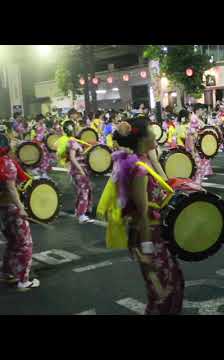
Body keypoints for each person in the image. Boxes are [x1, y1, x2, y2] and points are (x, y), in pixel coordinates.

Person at [110, 117, 185, 314]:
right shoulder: (139, 169)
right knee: (162, 291)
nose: (155, 135)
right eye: (151, 132)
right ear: (143, 139)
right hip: (149, 234)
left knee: (170, 282)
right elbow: (142, 213)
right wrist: (147, 250)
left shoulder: (138, 162)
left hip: (152, 231)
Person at [0, 134, 40, 290]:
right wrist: (22, 208)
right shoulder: (7, 164)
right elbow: (10, 188)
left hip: (2, 210)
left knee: (12, 242)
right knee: (25, 243)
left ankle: (6, 273)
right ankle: (23, 280)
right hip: (11, 209)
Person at [57, 121, 94, 224]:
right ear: (72, 129)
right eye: (76, 127)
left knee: (83, 190)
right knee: (84, 191)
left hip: (79, 169)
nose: (78, 128)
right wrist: (81, 170)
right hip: (78, 170)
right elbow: (73, 158)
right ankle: (81, 215)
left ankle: (80, 211)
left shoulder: (73, 141)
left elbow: (77, 155)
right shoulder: (72, 142)